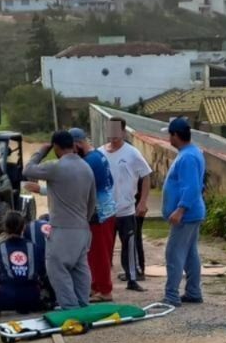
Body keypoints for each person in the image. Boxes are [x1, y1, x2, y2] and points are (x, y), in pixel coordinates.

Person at [23, 130, 96, 309]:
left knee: (56, 268)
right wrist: (83, 221)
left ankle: (70, 308)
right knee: (80, 269)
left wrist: (41, 151)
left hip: (62, 228)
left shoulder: (55, 166)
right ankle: (82, 304)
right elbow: (92, 202)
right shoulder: (87, 168)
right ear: (73, 145)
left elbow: (27, 170)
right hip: (82, 228)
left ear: (56, 147)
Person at [0, 210, 52, 325]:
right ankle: (36, 305)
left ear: (5, 227)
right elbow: (42, 272)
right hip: (32, 293)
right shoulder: (35, 247)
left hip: (7, 293)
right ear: (23, 228)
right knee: (38, 297)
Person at [101, 117, 152, 292]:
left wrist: (143, 202)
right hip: (106, 211)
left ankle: (132, 278)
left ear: (123, 132)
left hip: (126, 209)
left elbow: (146, 176)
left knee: (128, 246)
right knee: (104, 247)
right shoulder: (100, 154)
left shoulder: (132, 153)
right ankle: (103, 281)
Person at [162, 117, 206, 307]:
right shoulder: (191, 152)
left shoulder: (187, 157)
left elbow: (192, 187)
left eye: (170, 135)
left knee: (174, 253)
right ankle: (193, 291)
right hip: (192, 212)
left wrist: (180, 210)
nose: (168, 139)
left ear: (176, 135)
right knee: (189, 253)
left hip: (186, 214)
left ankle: (171, 295)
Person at [69, 127, 117, 302]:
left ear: (78, 144)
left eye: (72, 148)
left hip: (99, 213)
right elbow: (110, 180)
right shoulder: (99, 156)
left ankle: (104, 290)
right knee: (95, 253)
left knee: (99, 254)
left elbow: (78, 188)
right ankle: (96, 286)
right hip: (107, 209)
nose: (72, 153)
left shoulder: (89, 162)